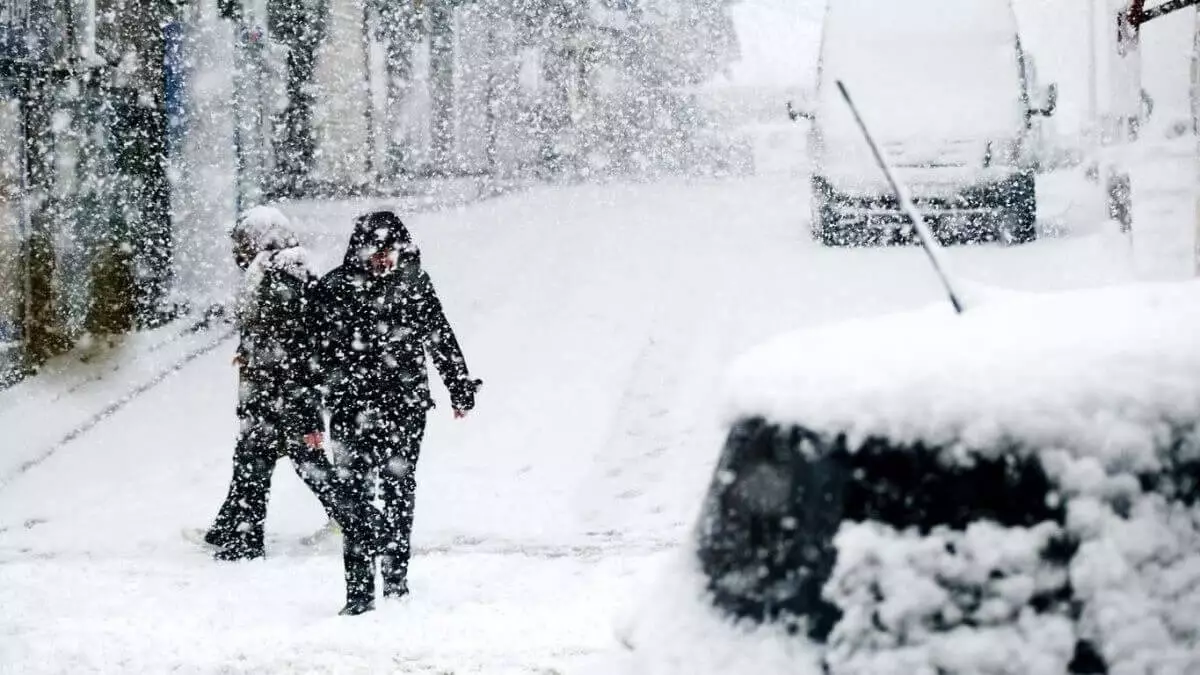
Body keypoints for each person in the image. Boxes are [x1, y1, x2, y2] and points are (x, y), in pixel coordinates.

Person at [315, 210, 481, 615]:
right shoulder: (335, 288)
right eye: (375, 249)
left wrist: (459, 388)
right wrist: (314, 400)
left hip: (404, 407)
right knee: (353, 493)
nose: (382, 258)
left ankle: (395, 581)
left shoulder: (413, 284)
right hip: (351, 409)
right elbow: (313, 351)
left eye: (388, 249)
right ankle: (358, 593)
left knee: (398, 490)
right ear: (359, 249)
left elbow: (439, 335)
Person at [201, 205, 348, 561]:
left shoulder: (279, 279)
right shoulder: (273, 273)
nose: (236, 251)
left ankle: (247, 539)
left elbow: (293, 342)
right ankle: (233, 529)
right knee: (262, 460)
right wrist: (249, 350)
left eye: (241, 242)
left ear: (260, 240)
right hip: (277, 392)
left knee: (267, 461)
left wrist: (267, 366)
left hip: (281, 394)